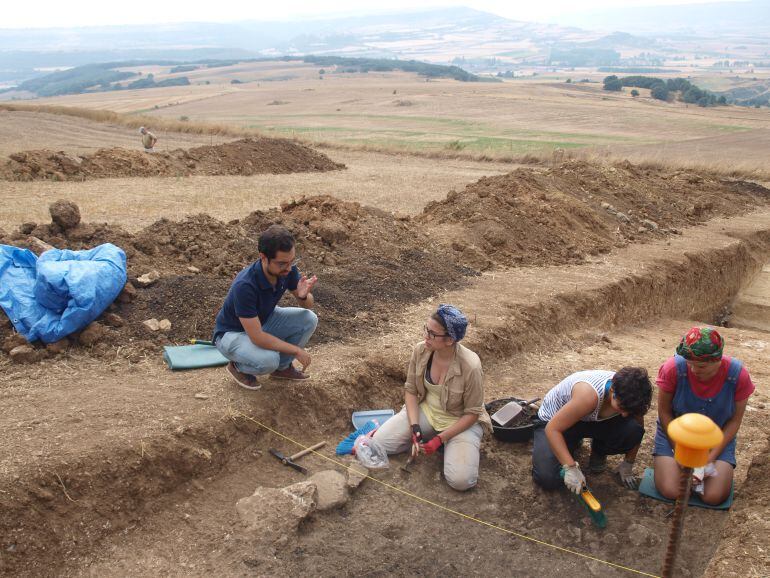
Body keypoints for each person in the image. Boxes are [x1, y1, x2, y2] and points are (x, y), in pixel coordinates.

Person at [372, 304, 491, 491]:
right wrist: (414, 426)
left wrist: (440, 439)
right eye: (426, 329)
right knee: (379, 444)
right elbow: (411, 390)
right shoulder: (421, 351)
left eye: (432, 334)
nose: (425, 336)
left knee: (461, 481)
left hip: (460, 422)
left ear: (450, 340)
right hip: (427, 412)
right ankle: (429, 437)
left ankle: (450, 445)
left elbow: (472, 413)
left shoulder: (471, 366)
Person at [653, 327, 755, 505]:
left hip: (716, 439)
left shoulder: (738, 376)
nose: (693, 370)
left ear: (717, 360)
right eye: (689, 363)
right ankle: (669, 464)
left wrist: (709, 457)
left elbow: (734, 421)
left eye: (701, 366)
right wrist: (680, 454)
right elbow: (664, 412)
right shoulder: (673, 369)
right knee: (673, 491)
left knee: (713, 496)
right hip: (676, 437)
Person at [213, 225, 318, 390]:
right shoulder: (245, 285)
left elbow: (308, 305)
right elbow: (257, 337)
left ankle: (282, 369)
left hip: (261, 321)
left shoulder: (287, 269)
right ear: (263, 257)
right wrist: (296, 351)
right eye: (282, 263)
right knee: (269, 360)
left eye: (291, 261)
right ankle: (237, 367)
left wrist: (303, 296)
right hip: (231, 333)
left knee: (309, 319)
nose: (288, 268)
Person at [532, 367, 652, 493]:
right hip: (555, 422)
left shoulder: (633, 397)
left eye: (629, 410)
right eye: (621, 407)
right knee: (548, 478)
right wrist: (571, 468)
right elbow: (552, 429)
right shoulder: (588, 395)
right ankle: (570, 440)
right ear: (612, 390)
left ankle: (599, 450)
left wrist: (628, 463)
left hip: (588, 419)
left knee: (632, 430)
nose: (625, 414)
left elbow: (638, 427)